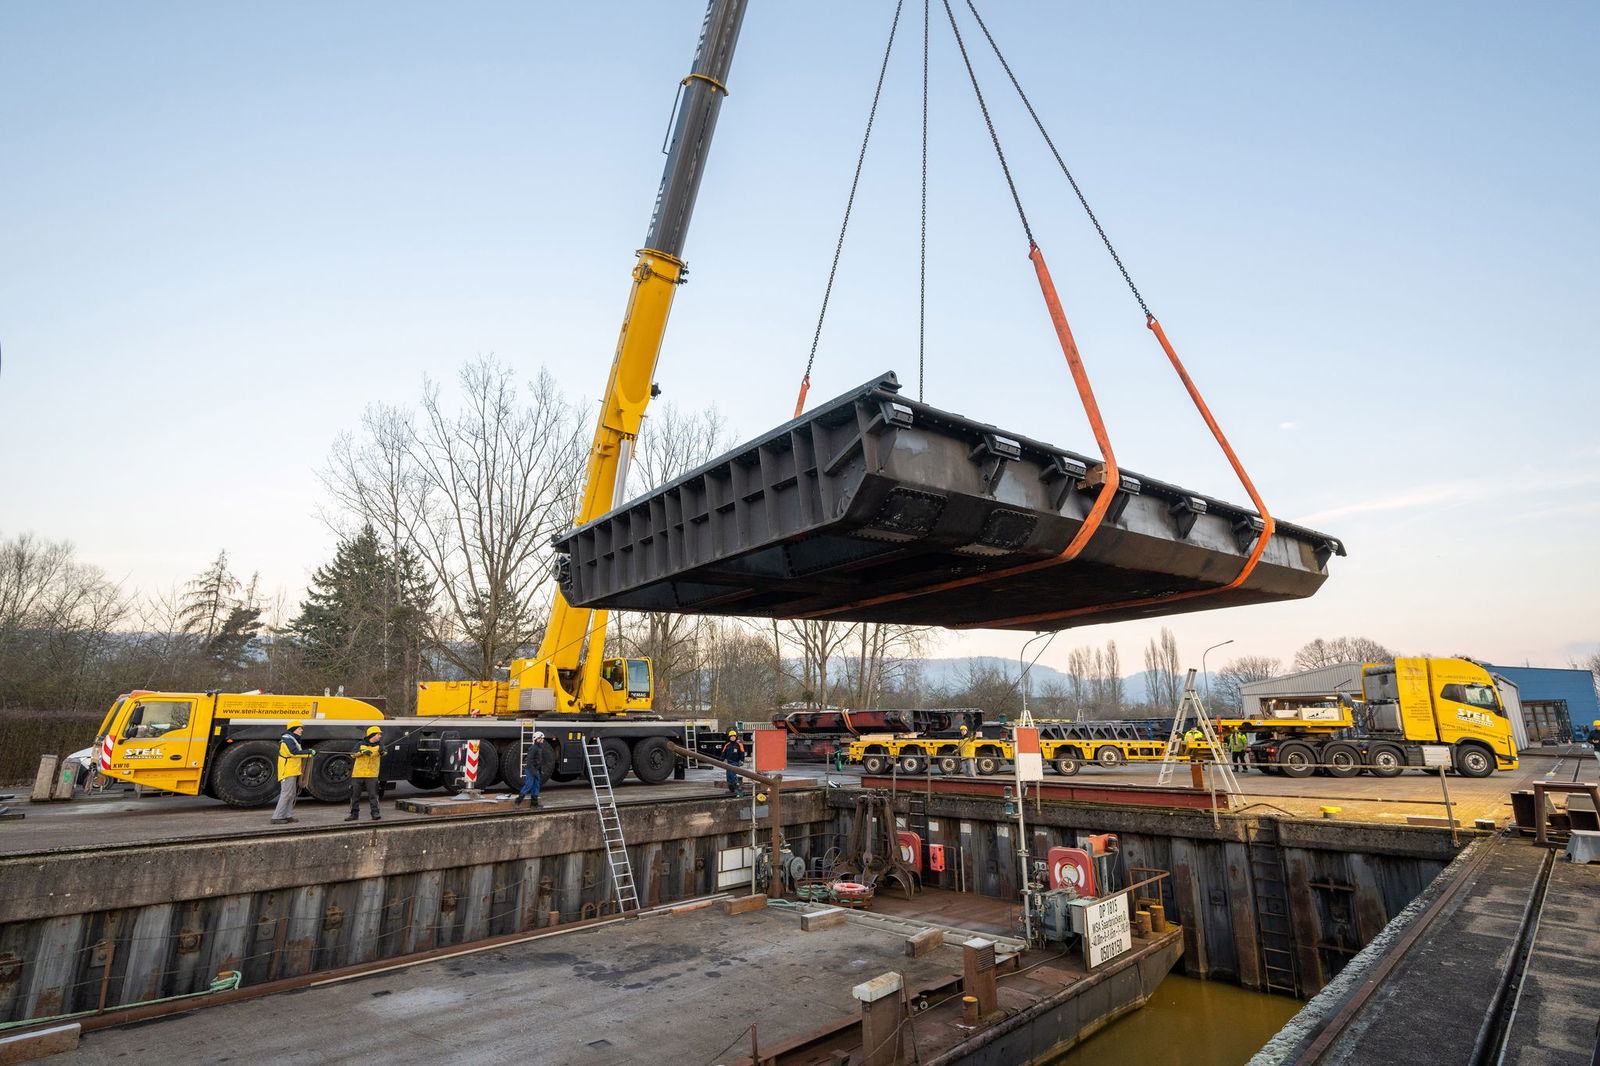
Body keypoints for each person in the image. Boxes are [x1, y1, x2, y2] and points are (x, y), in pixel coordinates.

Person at [272, 720, 314, 825]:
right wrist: (309, 752)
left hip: (292, 770)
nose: (301, 730)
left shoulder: (293, 739)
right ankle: (277, 817)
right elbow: (294, 753)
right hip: (287, 771)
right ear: (293, 729)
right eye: (299, 728)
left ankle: (287, 815)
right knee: (286, 794)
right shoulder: (287, 740)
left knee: (292, 794)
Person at [345, 726, 383, 821]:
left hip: (372, 775)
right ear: (372, 735)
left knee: (373, 795)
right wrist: (362, 752)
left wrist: (382, 752)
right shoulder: (360, 744)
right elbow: (352, 754)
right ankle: (354, 814)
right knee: (355, 796)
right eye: (378, 734)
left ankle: (375, 813)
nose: (380, 736)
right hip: (358, 774)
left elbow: (384, 752)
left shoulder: (380, 745)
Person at [514, 731, 545, 808]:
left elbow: (539, 760)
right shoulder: (533, 748)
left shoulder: (539, 748)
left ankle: (534, 804)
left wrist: (540, 770)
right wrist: (533, 771)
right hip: (531, 770)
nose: (543, 740)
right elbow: (529, 760)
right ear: (537, 739)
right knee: (529, 785)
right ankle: (517, 801)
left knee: (536, 786)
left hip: (536, 770)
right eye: (542, 738)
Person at [721, 730, 746, 797]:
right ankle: (731, 789)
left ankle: (737, 788)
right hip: (728, 763)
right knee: (728, 776)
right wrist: (721, 760)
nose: (732, 738)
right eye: (731, 737)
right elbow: (723, 753)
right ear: (729, 738)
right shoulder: (727, 745)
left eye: (734, 737)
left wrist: (742, 760)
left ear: (736, 737)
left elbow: (742, 753)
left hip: (735, 762)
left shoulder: (739, 745)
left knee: (732, 775)